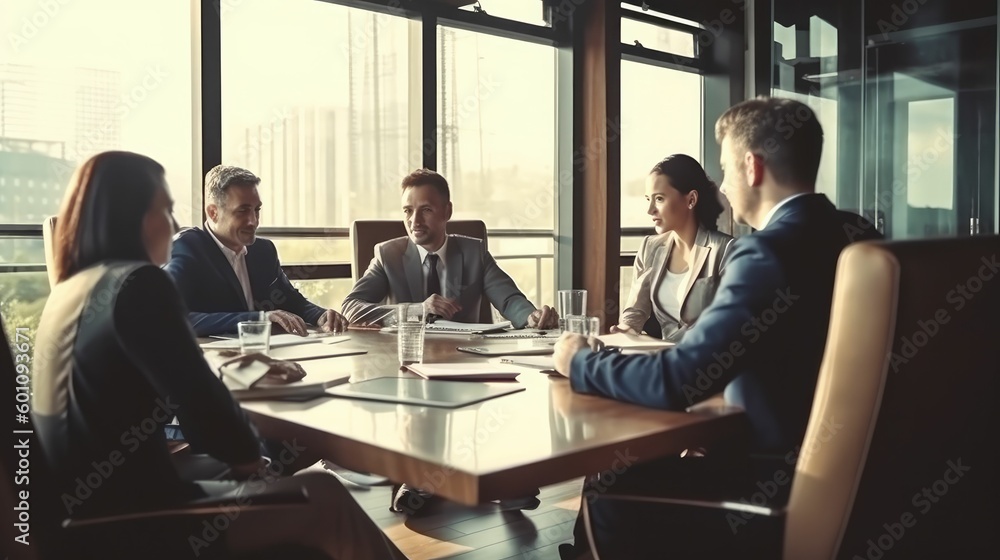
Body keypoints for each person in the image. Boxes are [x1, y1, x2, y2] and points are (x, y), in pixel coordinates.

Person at [32, 151, 405, 559]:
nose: (174, 225)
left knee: (303, 496)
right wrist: (250, 461)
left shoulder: (73, 289)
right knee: (324, 494)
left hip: (84, 510)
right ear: (131, 217)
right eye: (165, 211)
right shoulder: (140, 285)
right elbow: (199, 401)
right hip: (136, 516)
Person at [554, 97, 882, 559]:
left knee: (612, 478)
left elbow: (676, 381)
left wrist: (579, 360)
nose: (723, 188)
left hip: (769, 487)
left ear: (753, 166)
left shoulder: (766, 253)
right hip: (858, 481)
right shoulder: (860, 235)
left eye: (726, 169)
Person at [342, 168, 559, 329]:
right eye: (408, 211)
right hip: (404, 360)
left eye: (425, 210)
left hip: (463, 363)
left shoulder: (475, 252)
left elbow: (509, 299)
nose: (414, 221)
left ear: (447, 212)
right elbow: (351, 308)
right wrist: (418, 310)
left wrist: (531, 316)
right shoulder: (387, 255)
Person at [165, 165, 347, 337]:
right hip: (216, 362)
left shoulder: (263, 250)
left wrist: (320, 315)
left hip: (269, 355)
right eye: (242, 211)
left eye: (256, 210)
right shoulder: (186, 248)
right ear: (213, 212)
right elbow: (171, 318)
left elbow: (291, 300)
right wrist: (259, 319)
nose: (253, 221)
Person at [615, 154, 734, 341]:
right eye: (648, 199)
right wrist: (625, 330)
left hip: (707, 360)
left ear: (691, 200)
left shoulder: (726, 249)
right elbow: (635, 310)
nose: (650, 210)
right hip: (662, 359)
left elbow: (725, 324)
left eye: (660, 199)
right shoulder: (649, 247)